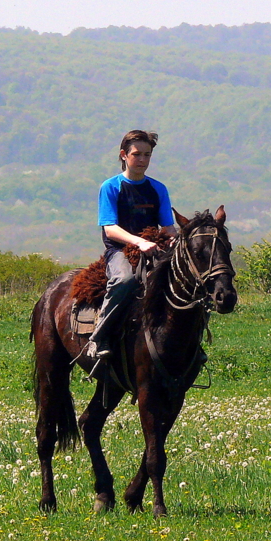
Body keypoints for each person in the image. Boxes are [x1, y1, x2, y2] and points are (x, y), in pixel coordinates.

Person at [79, 129, 175, 375]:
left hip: (154, 247)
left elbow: (167, 226)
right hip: (120, 250)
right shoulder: (111, 187)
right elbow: (110, 229)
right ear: (123, 155)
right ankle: (99, 337)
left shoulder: (158, 188)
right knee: (125, 280)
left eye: (147, 154)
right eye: (136, 154)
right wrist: (139, 242)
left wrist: (175, 240)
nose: (142, 159)